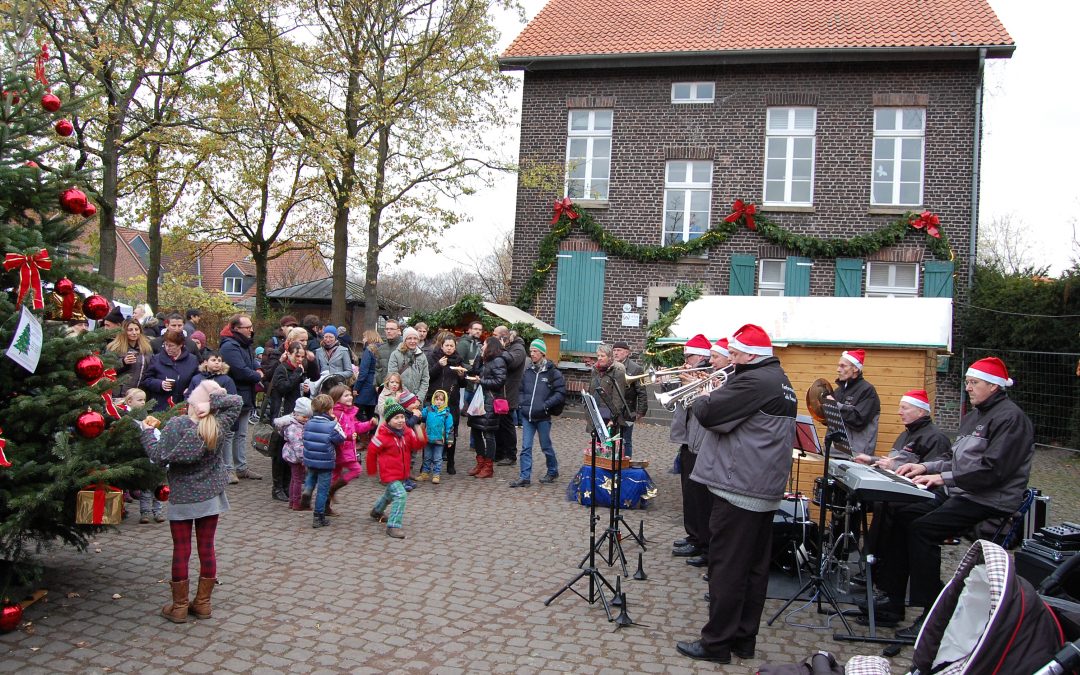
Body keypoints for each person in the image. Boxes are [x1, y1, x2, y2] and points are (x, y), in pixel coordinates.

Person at [876, 357, 1035, 639]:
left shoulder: (1010, 419)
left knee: (923, 529)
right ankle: (893, 601)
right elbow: (952, 458)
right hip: (962, 492)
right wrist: (925, 467)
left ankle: (933, 613)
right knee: (901, 513)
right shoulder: (974, 415)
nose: (968, 388)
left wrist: (943, 479)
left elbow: (992, 471)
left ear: (994, 386)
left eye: (974, 383)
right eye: (967, 383)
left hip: (988, 499)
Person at [676, 324, 797, 664]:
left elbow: (710, 414)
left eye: (735, 354)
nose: (730, 359)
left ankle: (716, 644)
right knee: (753, 569)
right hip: (763, 488)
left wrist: (700, 392)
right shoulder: (779, 379)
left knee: (726, 566)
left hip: (739, 487)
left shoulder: (753, 380)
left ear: (750, 356)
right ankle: (744, 641)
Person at [139, 380, 242, 623]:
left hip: (183, 496)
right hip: (211, 496)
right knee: (207, 548)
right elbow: (236, 402)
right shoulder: (217, 424)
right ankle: (203, 604)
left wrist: (145, 433)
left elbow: (158, 455)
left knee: (181, 550)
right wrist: (213, 404)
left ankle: (179, 607)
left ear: (192, 402)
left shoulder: (176, 425)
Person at [852, 389, 952, 621]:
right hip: (899, 497)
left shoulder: (935, 438)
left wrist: (892, 468)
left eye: (904, 408)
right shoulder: (906, 435)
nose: (899, 412)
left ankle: (890, 591)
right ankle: (879, 579)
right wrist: (874, 461)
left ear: (920, 410)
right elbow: (895, 463)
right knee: (879, 506)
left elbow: (930, 472)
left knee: (894, 517)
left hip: (920, 500)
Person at [681, 337, 733, 569]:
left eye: (715, 357)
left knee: (705, 501)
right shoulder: (712, 375)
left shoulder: (728, 379)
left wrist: (703, 390)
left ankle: (707, 547)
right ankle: (697, 539)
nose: (711, 362)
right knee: (693, 497)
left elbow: (714, 410)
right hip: (691, 441)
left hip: (708, 445)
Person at [671, 334, 714, 559]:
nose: (686, 359)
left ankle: (702, 540)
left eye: (690, 355)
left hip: (701, 442)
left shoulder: (709, 375)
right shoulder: (692, 374)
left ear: (703, 356)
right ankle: (693, 535)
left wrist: (693, 385)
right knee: (688, 492)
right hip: (688, 439)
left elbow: (705, 406)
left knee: (699, 495)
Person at [510, 339, 565, 487]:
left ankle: (553, 471)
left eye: (535, 351)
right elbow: (520, 390)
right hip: (527, 415)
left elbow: (560, 393)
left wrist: (546, 405)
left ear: (543, 353)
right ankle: (524, 477)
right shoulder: (527, 371)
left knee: (546, 446)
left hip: (543, 416)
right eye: (531, 351)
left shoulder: (553, 372)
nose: (532, 354)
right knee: (526, 447)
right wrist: (523, 404)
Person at [367, 400, 426, 539]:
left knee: (389, 494)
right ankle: (393, 525)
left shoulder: (407, 432)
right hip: (389, 474)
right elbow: (371, 451)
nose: (400, 420)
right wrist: (372, 470)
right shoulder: (382, 436)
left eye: (402, 417)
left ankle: (376, 511)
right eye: (396, 418)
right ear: (388, 420)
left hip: (402, 473)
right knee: (400, 495)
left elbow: (417, 445)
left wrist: (419, 431)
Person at [219, 314, 264, 483]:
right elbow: (239, 369)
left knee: (242, 434)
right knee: (230, 433)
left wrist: (258, 368)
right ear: (236, 329)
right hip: (233, 394)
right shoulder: (230, 347)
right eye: (247, 327)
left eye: (251, 326)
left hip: (246, 395)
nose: (251, 330)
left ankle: (241, 467)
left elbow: (251, 363)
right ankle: (228, 469)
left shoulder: (245, 344)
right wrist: (256, 376)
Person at [327, 385, 376, 514]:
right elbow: (334, 432)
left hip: (347, 450)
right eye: (346, 395)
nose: (350, 397)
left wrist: (369, 424)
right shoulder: (337, 414)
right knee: (356, 469)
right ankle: (332, 490)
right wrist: (347, 437)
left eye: (350, 394)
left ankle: (327, 503)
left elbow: (357, 427)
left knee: (335, 475)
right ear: (337, 398)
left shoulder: (349, 412)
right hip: (341, 450)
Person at [299, 394, 345, 529]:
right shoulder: (332, 425)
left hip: (310, 458)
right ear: (329, 409)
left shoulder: (308, 423)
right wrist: (336, 422)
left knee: (311, 477)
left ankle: (307, 490)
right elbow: (341, 438)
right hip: (326, 461)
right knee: (323, 490)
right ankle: (318, 516)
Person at [465, 336, 507, 479]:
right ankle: (480, 462)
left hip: (490, 401)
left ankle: (488, 466)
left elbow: (499, 381)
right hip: (480, 401)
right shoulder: (485, 360)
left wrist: (480, 381)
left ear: (490, 346)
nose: (482, 346)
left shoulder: (499, 361)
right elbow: (474, 371)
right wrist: (479, 358)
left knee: (488, 434)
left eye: (484, 344)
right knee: (476, 431)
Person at [830, 349, 881, 455]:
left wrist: (834, 406)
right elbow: (833, 420)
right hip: (836, 450)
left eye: (843, 366)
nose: (838, 369)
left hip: (857, 454)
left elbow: (858, 420)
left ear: (855, 369)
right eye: (839, 365)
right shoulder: (839, 391)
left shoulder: (867, 390)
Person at [142, 332, 200, 412]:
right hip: (160, 406)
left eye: (171, 345)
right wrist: (160, 384)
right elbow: (146, 379)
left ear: (180, 345)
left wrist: (190, 389)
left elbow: (198, 379)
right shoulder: (156, 359)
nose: (167, 348)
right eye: (165, 344)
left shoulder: (192, 360)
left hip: (182, 405)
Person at [493, 326, 526, 466]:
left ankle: (511, 455)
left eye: (495, 335)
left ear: (503, 337)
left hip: (509, 393)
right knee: (498, 425)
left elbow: (511, 363)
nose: (492, 337)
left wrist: (501, 349)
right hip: (501, 392)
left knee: (507, 425)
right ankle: (499, 453)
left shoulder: (518, 348)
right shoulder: (509, 347)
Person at [611, 340, 648, 458]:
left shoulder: (636, 368)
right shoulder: (610, 366)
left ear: (627, 353)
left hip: (628, 409)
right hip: (611, 408)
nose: (616, 353)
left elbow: (641, 391)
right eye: (614, 350)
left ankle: (626, 464)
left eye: (619, 350)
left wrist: (641, 411)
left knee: (626, 440)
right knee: (610, 438)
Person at [274, 396, 311, 511]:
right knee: (298, 480)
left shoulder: (296, 423)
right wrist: (303, 458)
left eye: (308, 417)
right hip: (296, 457)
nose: (306, 419)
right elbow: (298, 445)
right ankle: (296, 502)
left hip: (293, 455)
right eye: (304, 417)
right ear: (296, 413)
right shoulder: (294, 427)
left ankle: (292, 501)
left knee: (294, 479)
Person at [587, 344, 632, 439]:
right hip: (595, 413)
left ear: (610, 357)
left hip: (608, 416)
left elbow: (618, 398)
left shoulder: (617, 371)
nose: (599, 358)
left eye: (602, 356)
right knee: (595, 445)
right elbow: (591, 391)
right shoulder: (595, 370)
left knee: (608, 447)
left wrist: (613, 419)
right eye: (598, 355)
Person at [107, 318, 153, 395]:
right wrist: (123, 362)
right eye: (130, 330)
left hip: (139, 394)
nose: (134, 333)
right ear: (124, 331)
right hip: (120, 393)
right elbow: (107, 370)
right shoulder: (114, 348)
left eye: (136, 329)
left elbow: (150, 369)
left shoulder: (146, 348)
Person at [419, 389, 454, 483]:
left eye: (441, 400)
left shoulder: (447, 415)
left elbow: (449, 428)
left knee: (437, 458)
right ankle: (425, 473)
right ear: (433, 400)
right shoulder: (429, 409)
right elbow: (421, 415)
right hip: (428, 439)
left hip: (439, 440)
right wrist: (417, 412)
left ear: (445, 401)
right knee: (427, 457)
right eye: (437, 399)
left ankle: (436, 474)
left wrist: (449, 440)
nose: (439, 401)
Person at [388, 326, 430, 403]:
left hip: (417, 400)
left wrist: (419, 398)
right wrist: (408, 396)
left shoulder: (422, 356)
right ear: (405, 340)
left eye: (415, 338)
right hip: (399, 397)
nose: (412, 341)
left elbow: (425, 379)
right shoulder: (395, 354)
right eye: (409, 338)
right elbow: (392, 376)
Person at [354, 330, 380, 420]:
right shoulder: (380, 349)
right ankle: (372, 432)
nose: (363, 339)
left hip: (366, 385)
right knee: (371, 413)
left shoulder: (368, 351)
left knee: (357, 413)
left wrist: (356, 388)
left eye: (364, 337)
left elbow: (363, 372)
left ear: (369, 338)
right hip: (375, 383)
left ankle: (363, 432)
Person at [375, 319, 403, 387]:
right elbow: (376, 369)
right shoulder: (380, 349)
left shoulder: (404, 347)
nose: (388, 331)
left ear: (398, 331)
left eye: (392, 329)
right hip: (383, 388)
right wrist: (376, 384)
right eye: (386, 329)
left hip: (401, 389)